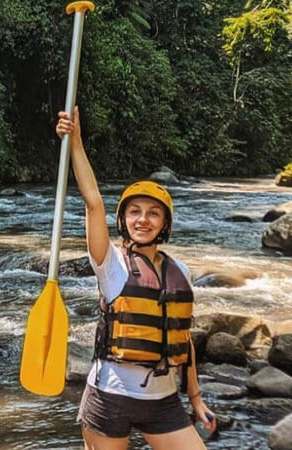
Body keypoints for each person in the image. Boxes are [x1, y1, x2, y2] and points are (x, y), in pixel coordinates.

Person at [56, 107, 216, 449]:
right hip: (110, 398)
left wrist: (196, 398)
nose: (143, 220)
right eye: (135, 212)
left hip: (164, 402)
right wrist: (76, 144)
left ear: (165, 224)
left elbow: (182, 340)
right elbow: (93, 202)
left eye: (153, 213)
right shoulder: (109, 263)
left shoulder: (180, 272)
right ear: (124, 220)